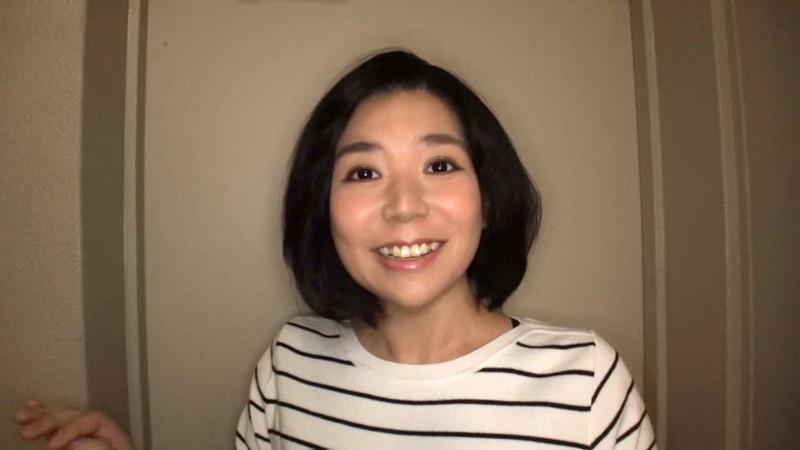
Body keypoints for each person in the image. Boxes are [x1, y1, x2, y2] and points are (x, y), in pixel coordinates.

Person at [13, 50, 655, 449]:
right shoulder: (289, 362)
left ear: (487, 200)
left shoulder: (585, 382)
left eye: (439, 165)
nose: (404, 206)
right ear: (324, 211)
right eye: (364, 172)